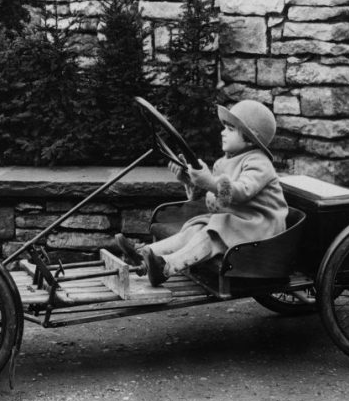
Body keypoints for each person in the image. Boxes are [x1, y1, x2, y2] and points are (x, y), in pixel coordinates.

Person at [115, 100, 288, 286]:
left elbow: (241, 192)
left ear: (250, 137)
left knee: (212, 232)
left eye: (230, 129)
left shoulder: (259, 163)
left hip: (261, 229)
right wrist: (190, 180)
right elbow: (214, 197)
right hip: (238, 223)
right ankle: (144, 254)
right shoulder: (225, 162)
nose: (222, 132)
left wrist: (210, 181)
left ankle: (166, 268)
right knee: (195, 228)